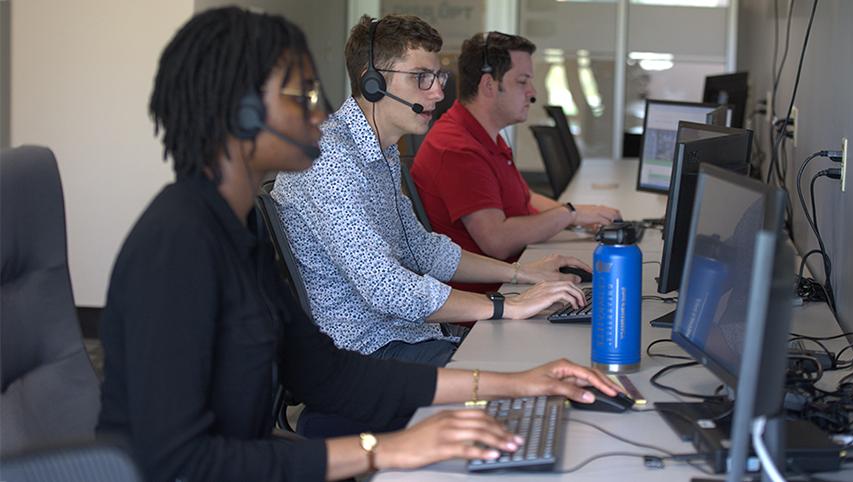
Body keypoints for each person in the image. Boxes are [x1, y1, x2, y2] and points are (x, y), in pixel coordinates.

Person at [96, 7, 621, 482]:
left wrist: (520, 384)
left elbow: (327, 374)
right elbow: (179, 464)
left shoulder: (237, 234)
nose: (322, 113)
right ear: (243, 112)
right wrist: (383, 450)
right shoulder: (175, 246)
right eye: (301, 95)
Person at [272, 15, 591, 365]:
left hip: (408, 334)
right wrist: (508, 305)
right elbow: (387, 288)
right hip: (367, 353)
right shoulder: (329, 158)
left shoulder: (382, 152)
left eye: (439, 77)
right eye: (421, 78)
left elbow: (424, 251)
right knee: (527, 366)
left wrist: (522, 273)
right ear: (373, 84)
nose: (439, 91)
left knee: (545, 344)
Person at [411, 32, 622, 277]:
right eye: (522, 81)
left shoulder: (483, 134)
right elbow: (497, 241)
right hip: (490, 296)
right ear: (489, 85)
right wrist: (569, 213)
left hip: (514, 275)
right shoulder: (457, 149)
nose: (532, 93)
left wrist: (579, 219)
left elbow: (526, 198)